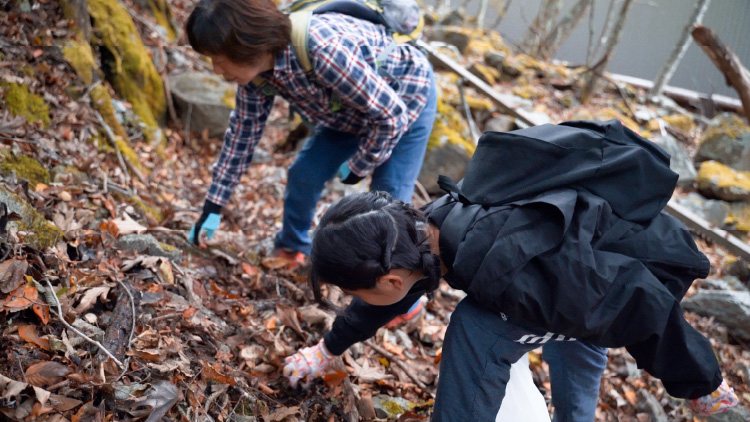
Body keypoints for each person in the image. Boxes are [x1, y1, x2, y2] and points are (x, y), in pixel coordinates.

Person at [283, 120, 740, 421]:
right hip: (583, 268)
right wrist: (329, 348)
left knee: (480, 330)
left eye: (356, 293)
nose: (358, 301)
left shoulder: (507, 267)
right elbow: (394, 288)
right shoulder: (427, 227)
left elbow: (633, 299)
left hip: (640, 269)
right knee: (564, 311)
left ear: (390, 281)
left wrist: (699, 381)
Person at [184, 0, 438, 274]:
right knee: (304, 174)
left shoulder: (322, 49)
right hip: (347, 114)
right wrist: (213, 206)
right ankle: (293, 248)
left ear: (245, 47)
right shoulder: (255, 79)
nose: (216, 70)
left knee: (389, 201)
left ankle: (400, 297)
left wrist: (359, 166)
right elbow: (240, 140)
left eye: (219, 60)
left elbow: (391, 116)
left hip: (406, 99)